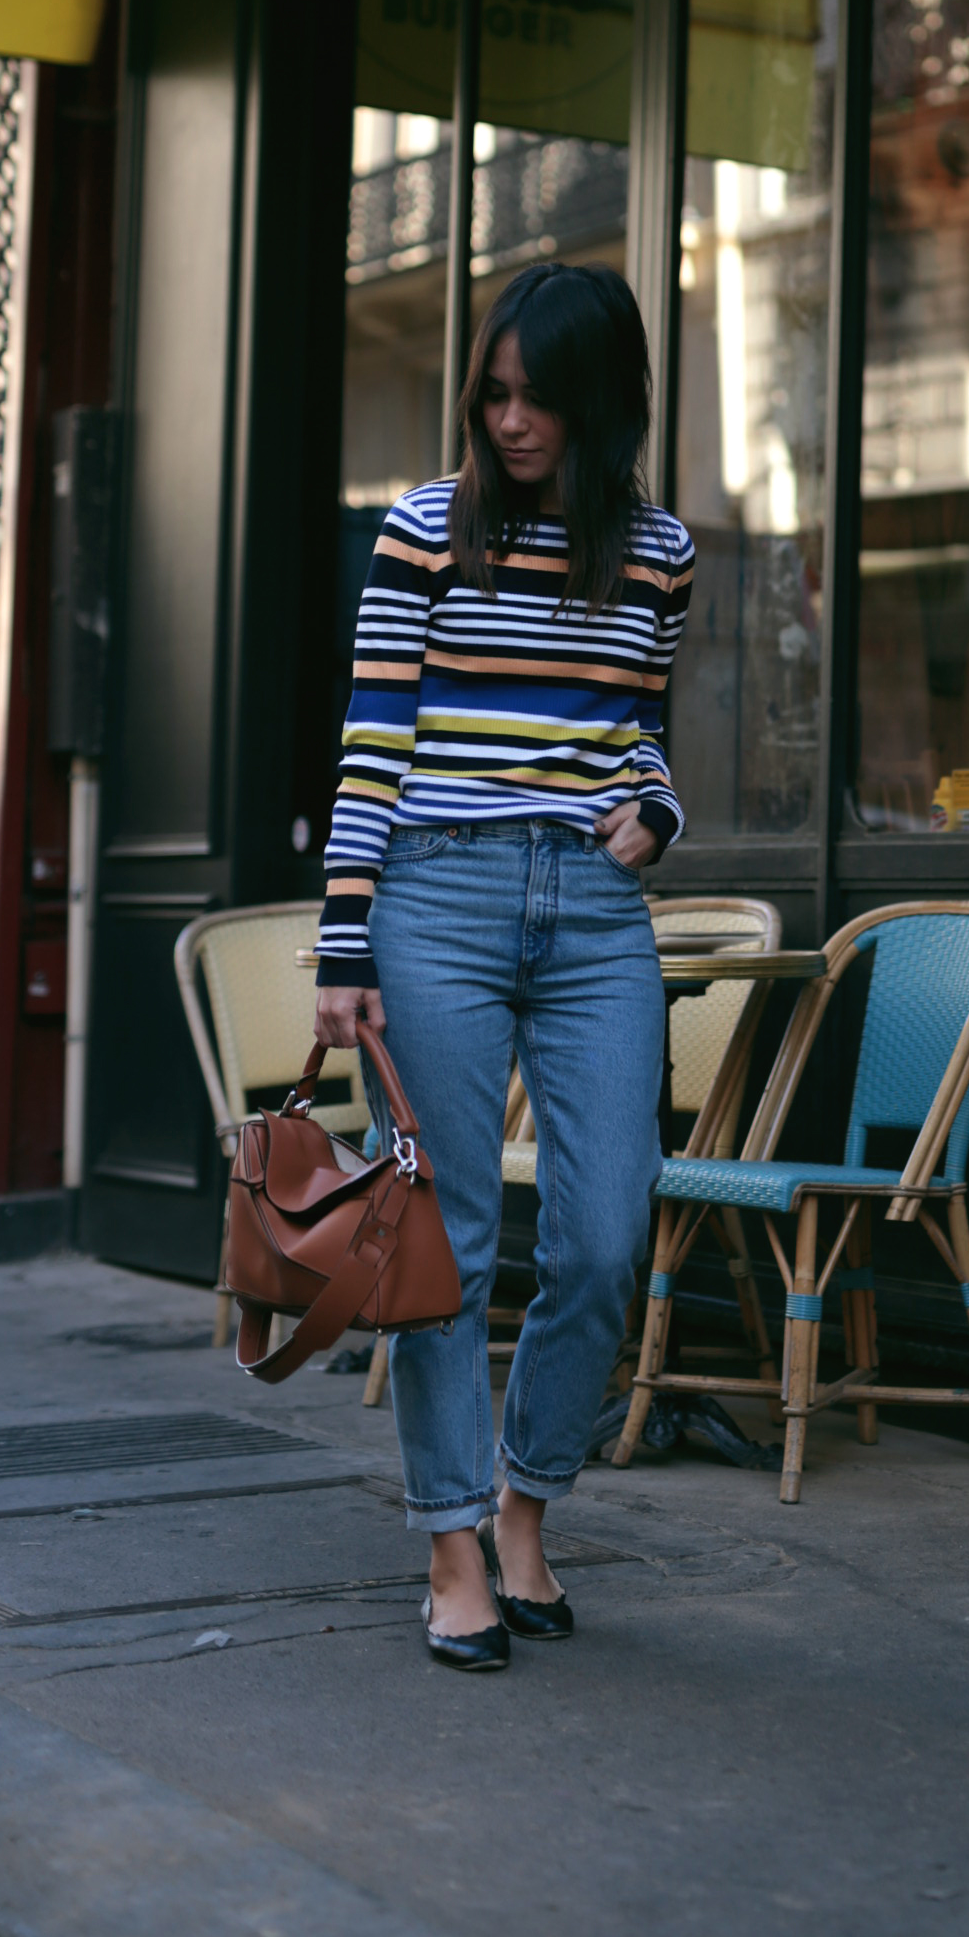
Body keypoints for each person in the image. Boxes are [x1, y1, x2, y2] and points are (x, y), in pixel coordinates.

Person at [313, 260, 693, 1671]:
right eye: (495, 391)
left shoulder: (657, 550)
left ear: (604, 400)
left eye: (540, 395)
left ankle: (529, 1502)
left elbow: (642, 723)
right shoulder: (421, 534)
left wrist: (656, 810)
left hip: (595, 910)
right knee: (446, 1248)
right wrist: (343, 942)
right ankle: (455, 1544)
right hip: (437, 902)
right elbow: (372, 750)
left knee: (605, 1238)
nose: (513, 418)